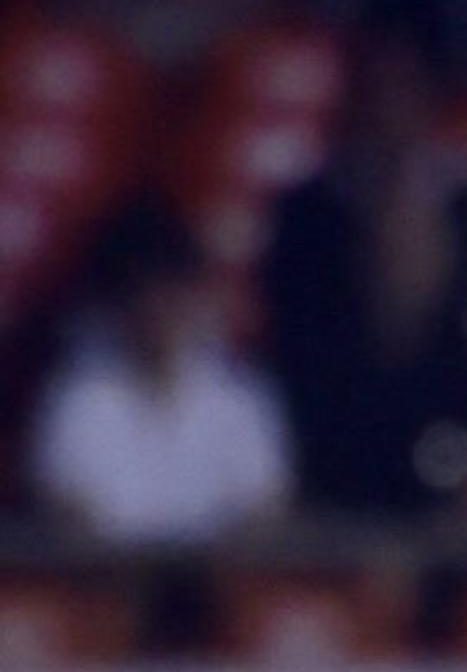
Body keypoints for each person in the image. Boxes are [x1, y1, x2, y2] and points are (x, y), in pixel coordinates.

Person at [26, 199, 293, 546]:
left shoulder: (241, 395)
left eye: (175, 295)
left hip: (215, 587)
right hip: (109, 589)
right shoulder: (77, 399)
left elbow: (265, 509)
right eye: (150, 296)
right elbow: (69, 516)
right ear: (123, 303)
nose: (164, 312)